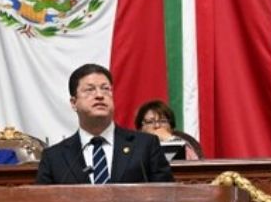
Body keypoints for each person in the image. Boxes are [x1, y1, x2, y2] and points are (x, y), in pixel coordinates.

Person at [36, 63, 173, 184]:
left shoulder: (145, 146)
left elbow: (168, 198)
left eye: (105, 88)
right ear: (73, 103)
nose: (99, 95)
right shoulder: (54, 157)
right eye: (90, 89)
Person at [133, 100, 201, 160]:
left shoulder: (185, 141)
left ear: (171, 128)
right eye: (150, 122)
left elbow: (196, 165)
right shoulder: (133, 146)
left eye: (163, 121)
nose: (157, 126)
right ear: (140, 128)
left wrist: (170, 139)